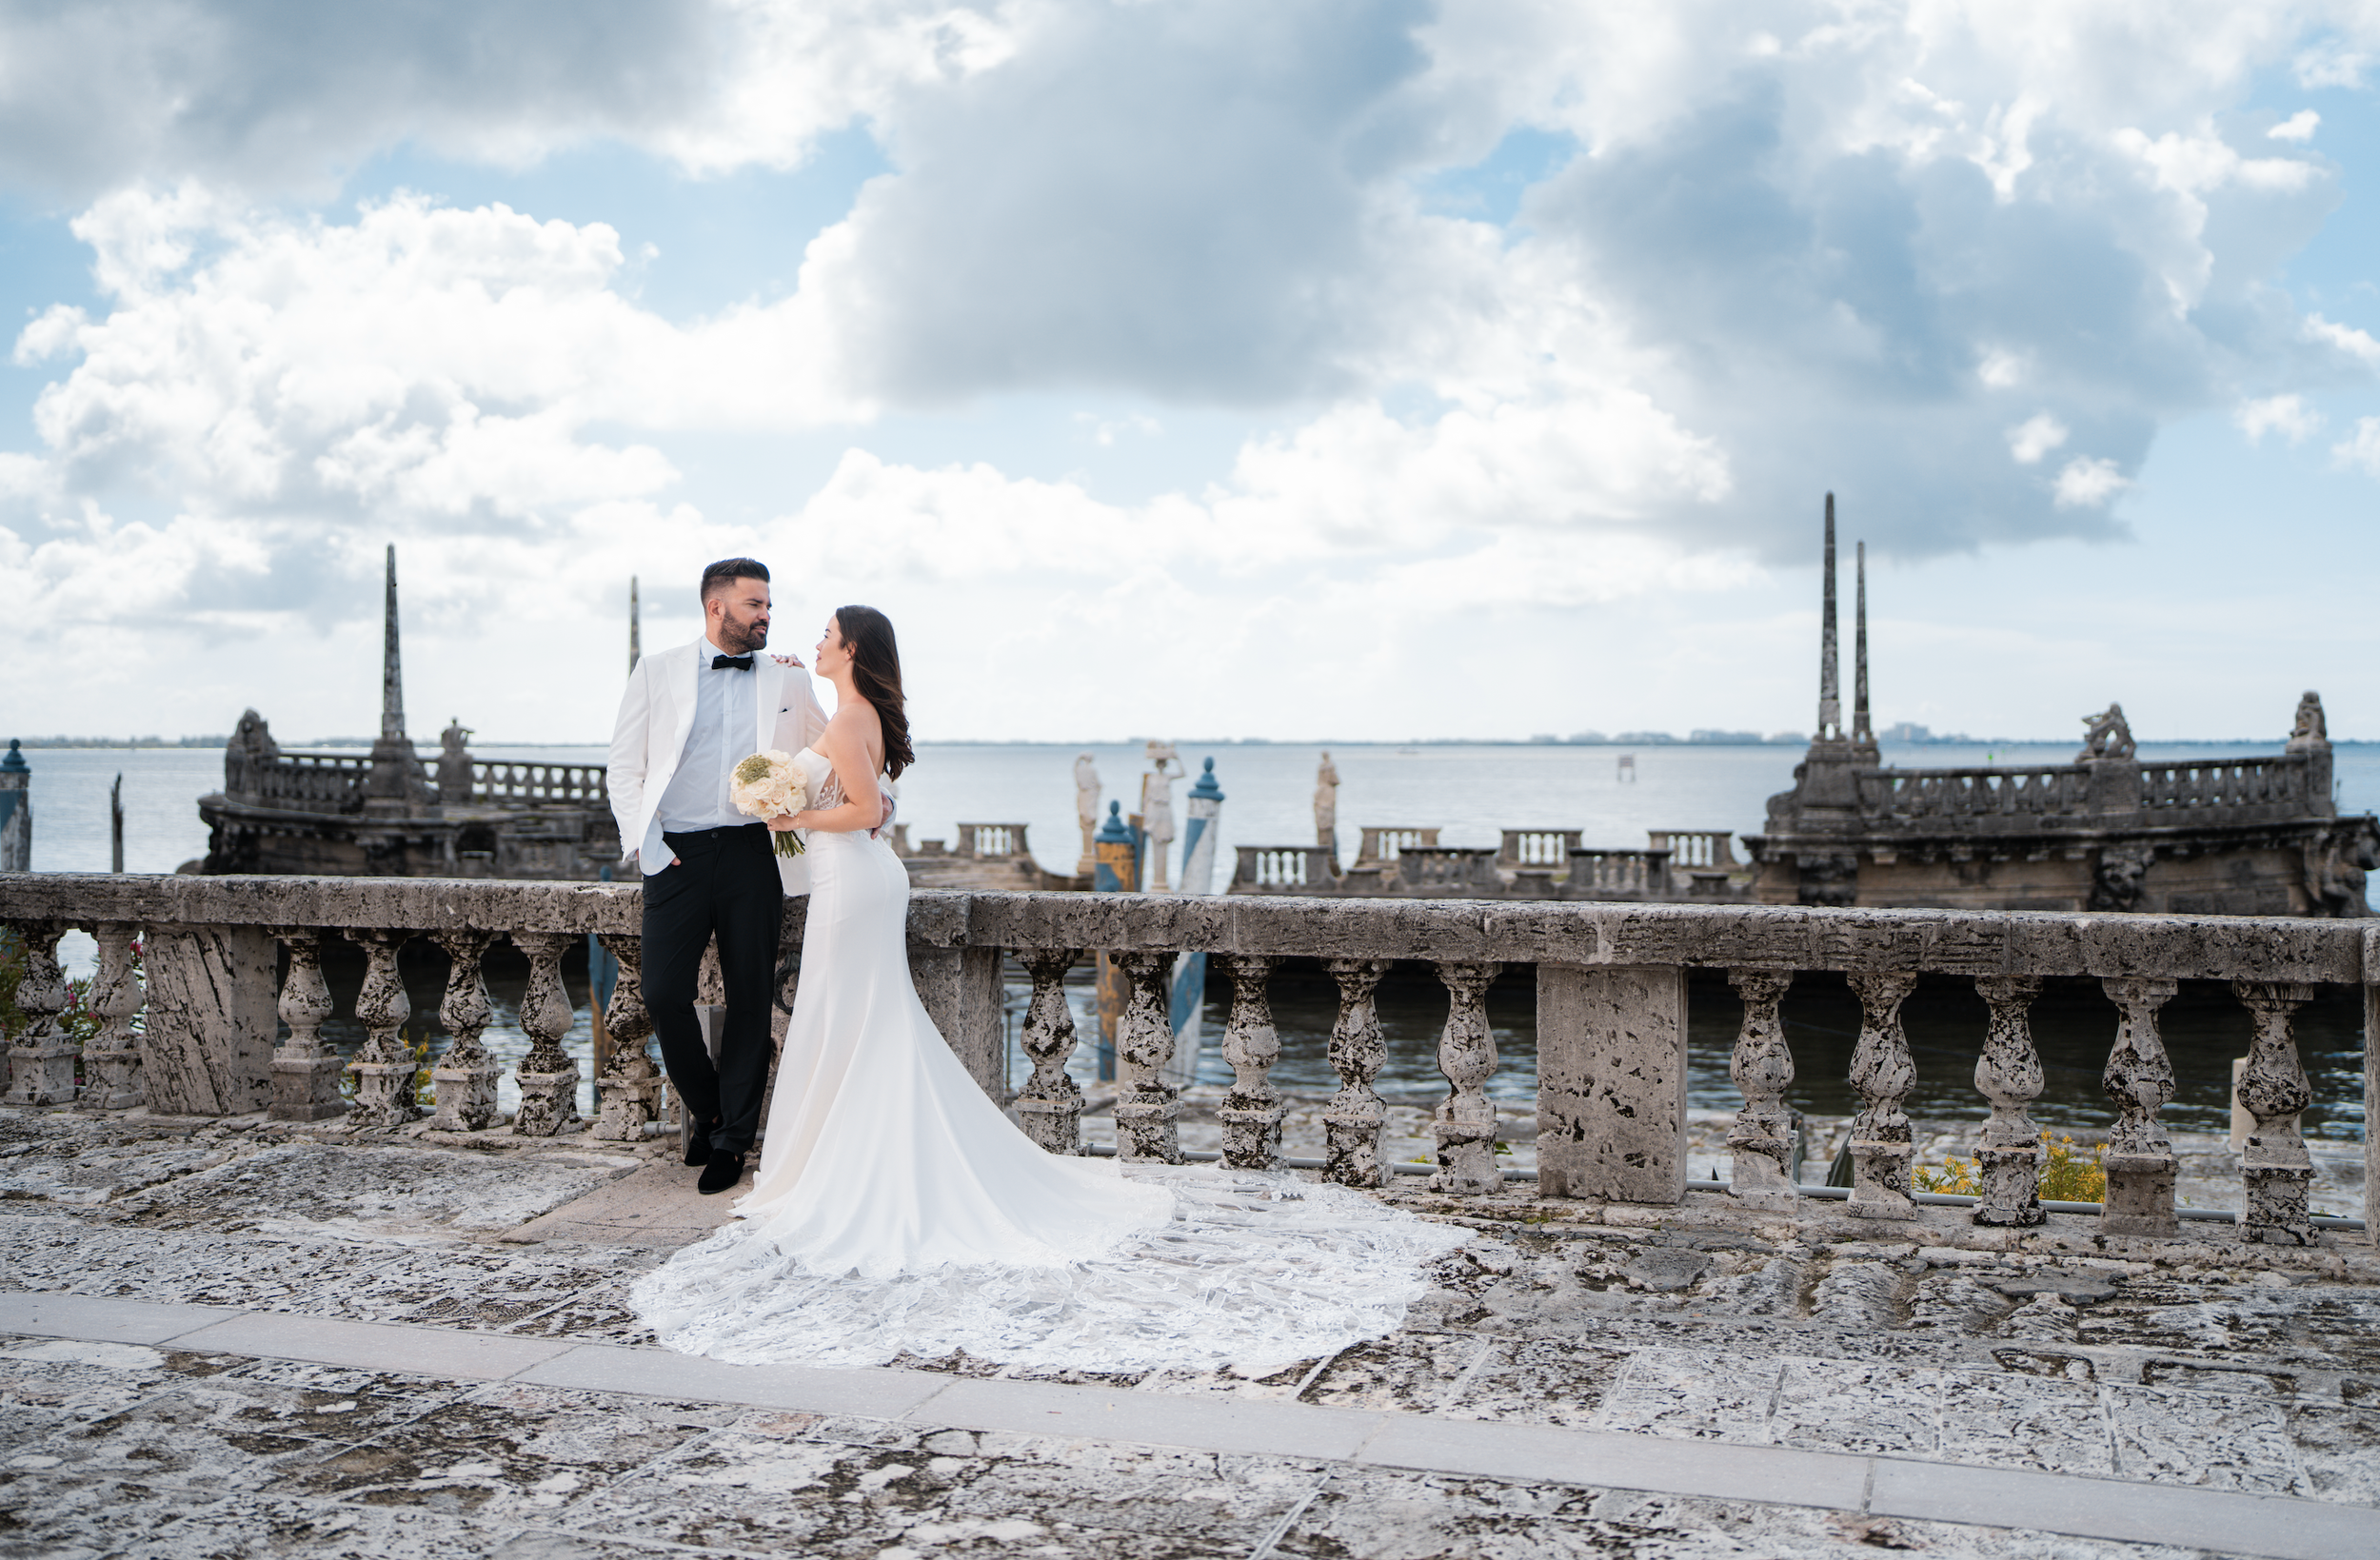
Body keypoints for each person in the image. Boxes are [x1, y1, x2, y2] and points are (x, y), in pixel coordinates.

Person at [631, 607, 1469, 1375]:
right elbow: (867, 787)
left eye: (824, 635)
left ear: (852, 649)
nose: (812, 640)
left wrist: (790, 818)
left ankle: (843, 1169)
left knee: (854, 1020)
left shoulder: (854, 717)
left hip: (853, 879)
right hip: (866, 882)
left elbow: (860, 810)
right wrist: (788, 735)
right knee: (863, 1022)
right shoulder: (855, 714)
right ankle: (842, 1156)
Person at [606, 558, 827, 1195]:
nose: (766, 615)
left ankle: (732, 1141)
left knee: (752, 997)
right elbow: (625, 767)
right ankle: (709, 1109)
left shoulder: (786, 678)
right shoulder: (657, 670)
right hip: (674, 853)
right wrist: (645, 846)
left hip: (754, 854)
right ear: (716, 608)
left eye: (768, 605)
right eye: (755, 604)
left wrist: (875, 802)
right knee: (662, 992)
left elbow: (829, 749)